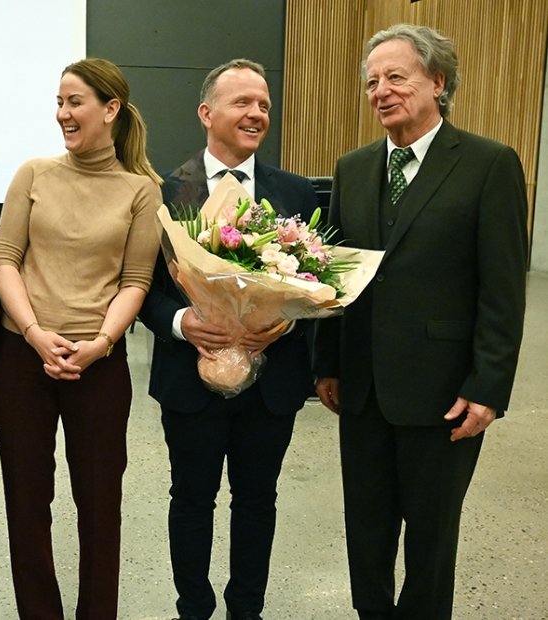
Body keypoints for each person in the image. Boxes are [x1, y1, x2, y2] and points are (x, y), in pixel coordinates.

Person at [312, 24, 527, 620]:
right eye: (372, 81)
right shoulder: (352, 168)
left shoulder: (489, 164)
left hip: (443, 390)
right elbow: (335, 274)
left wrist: (488, 387)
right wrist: (327, 362)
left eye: (396, 77)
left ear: (437, 81)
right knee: (367, 532)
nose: (381, 91)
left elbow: (502, 290)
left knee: (431, 541)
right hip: (361, 389)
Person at [138, 59, 318, 620]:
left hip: (273, 382)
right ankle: (193, 607)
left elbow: (315, 284)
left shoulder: (296, 192)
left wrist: (282, 320)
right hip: (189, 377)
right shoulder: (163, 192)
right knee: (191, 500)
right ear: (206, 113)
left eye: (263, 104)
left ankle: (247, 610)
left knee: (257, 500)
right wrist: (182, 324)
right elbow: (139, 289)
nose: (257, 113)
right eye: (242, 102)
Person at [0, 57, 162, 620]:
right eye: (59, 102)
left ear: (110, 109)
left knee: (99, 504)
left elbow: (136, 281)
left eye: (75, 102)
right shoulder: (34, 174)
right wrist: (37, 335)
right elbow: (6, 260)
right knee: (26, 503)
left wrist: (101, 343)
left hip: (101, 364)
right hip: (24, 358)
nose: (63, 113)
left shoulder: (142, 191)